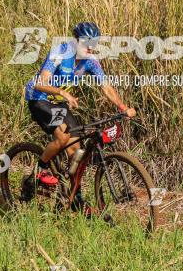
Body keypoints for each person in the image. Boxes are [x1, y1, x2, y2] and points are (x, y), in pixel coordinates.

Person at [24, 21, 135, 189]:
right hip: (39, 98)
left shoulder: (90, 61)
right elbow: (40, 83)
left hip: (58, 104)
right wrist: (62, 92)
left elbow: (106, 87)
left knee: (75, 150)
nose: (90, 47)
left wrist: (123, 108)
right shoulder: (60, 53)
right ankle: (41, 169)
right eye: (86, 43)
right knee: (63, 136)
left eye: (94, 43)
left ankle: (74, 196)